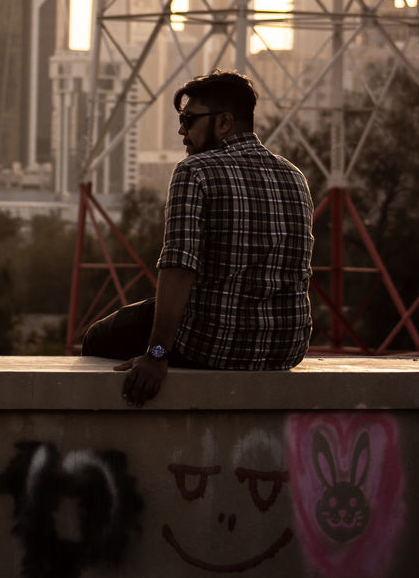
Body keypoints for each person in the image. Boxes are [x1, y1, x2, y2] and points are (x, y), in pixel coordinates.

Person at [81, 69, 314, 406]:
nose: (181, 130)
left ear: (224, 123)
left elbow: (179, 267)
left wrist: (158, 354)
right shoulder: (295, 177)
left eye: (189, 120)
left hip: (213, 346)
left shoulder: (195, 171)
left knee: (98, 336)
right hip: (286, 349)